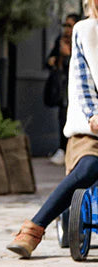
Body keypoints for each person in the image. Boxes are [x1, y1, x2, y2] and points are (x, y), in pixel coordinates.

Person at [8, 0, 98, 258]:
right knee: (88, 168)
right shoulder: (85, 31)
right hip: (91, 131)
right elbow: (82, 86)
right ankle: (33, 229)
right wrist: (95, 116)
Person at [45, 13, 79, 165]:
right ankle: (62, 149)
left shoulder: (79, 40)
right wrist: (52, 60)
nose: (66, 29)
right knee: (62, 119)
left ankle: (71, 151)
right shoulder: (60, 41)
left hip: (75, 88)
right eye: (65, 25)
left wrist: (68, 56)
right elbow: (49, 60)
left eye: (69, 25)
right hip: (62, 88)